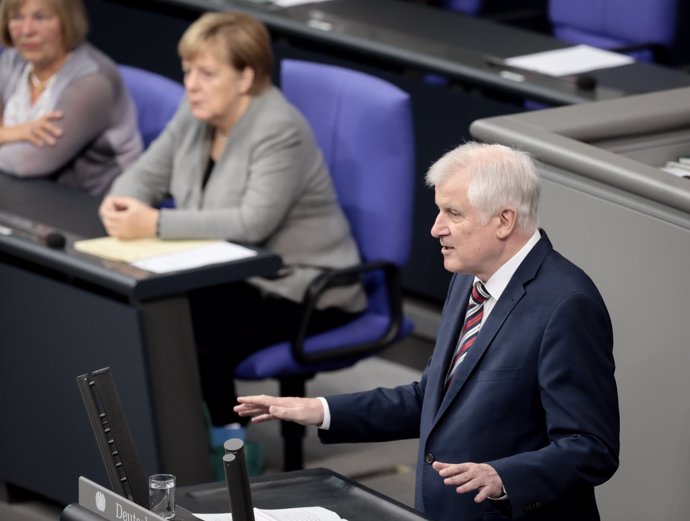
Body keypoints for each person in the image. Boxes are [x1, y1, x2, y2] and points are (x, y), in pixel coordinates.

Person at [236, 142, 620, 521]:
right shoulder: (468, 279)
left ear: (504, 220)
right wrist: (320, 410)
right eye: (439, 210)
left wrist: (505, 477)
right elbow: (432, 399)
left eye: (453, 213)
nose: (436, 228)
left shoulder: (567, 305)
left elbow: (590, 447)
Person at [99, 12, 366, 430]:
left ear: (245, 78)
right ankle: (178, 436)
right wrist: (122, 200)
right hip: (228, 275)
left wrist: (153, 224)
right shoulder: (196, 113)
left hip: (301, 286)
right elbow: (146, 173)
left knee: (191, 335)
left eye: (207, 73)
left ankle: (226, 444)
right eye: (188, 70)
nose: (191, 84)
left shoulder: (279, 129)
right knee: (151, 314)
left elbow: (252, 223)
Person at [0, 0, 142, 196]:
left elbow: (27, 161)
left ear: (67, 21)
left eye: (40, 17)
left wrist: (4, 133)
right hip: (27, 192)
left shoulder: (93, 82)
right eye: (17, 17)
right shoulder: (12, 60)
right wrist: (16, 133)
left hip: (94, 203)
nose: (26, 30)